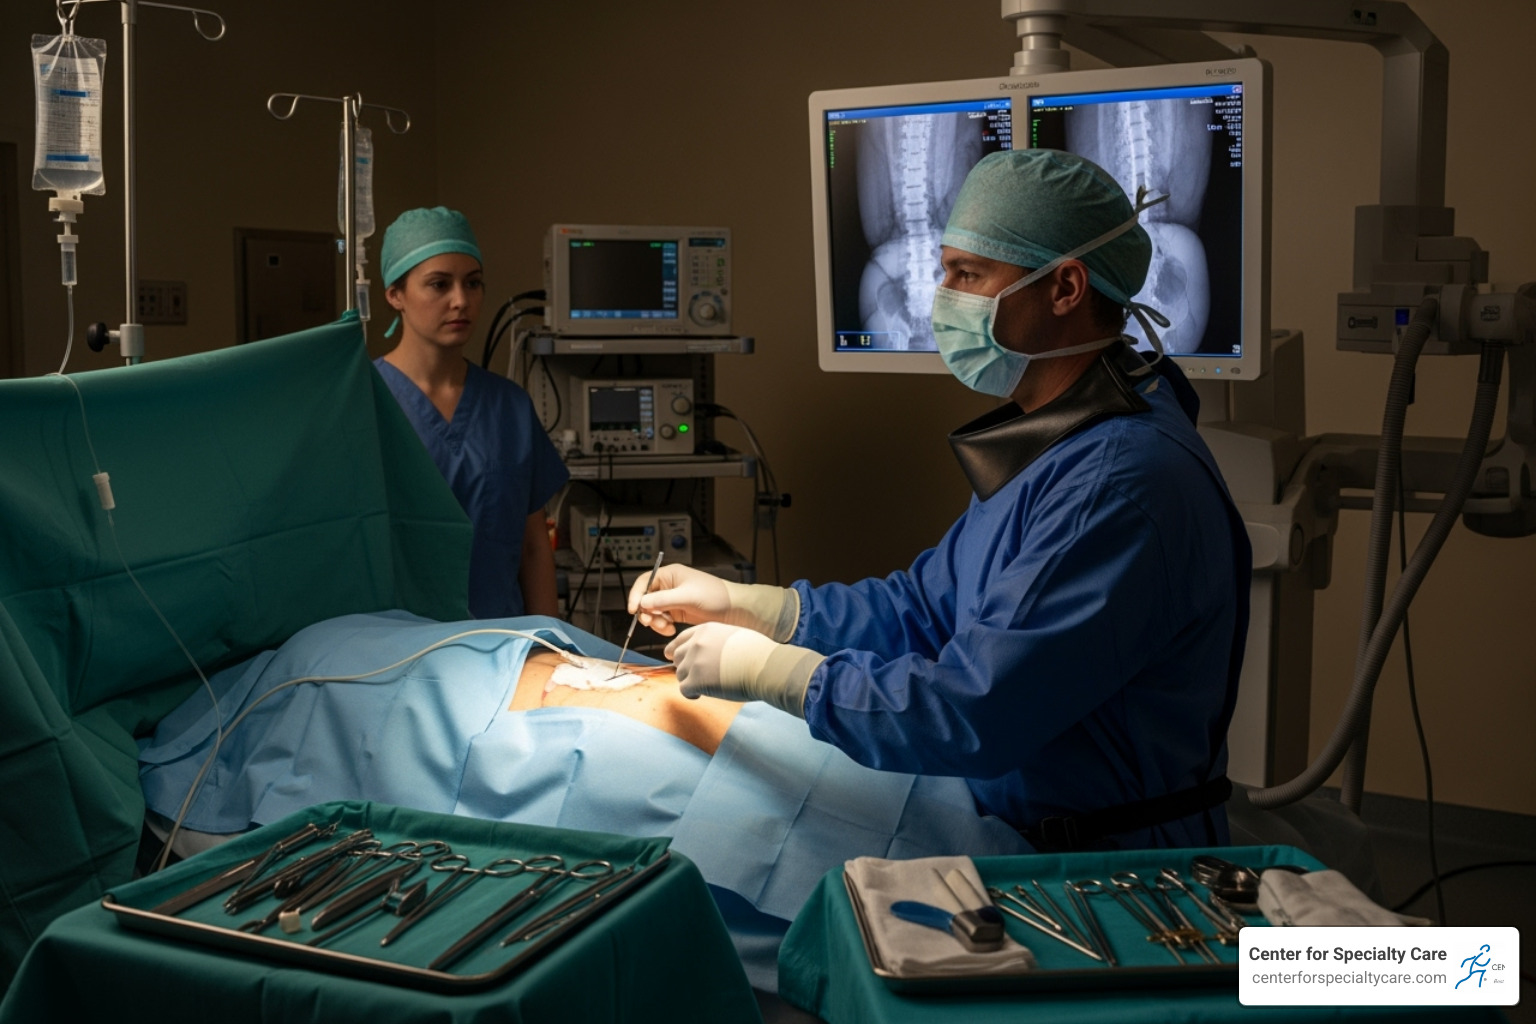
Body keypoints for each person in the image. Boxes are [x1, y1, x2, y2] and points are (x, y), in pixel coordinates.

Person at [630, 149, 1253, 852]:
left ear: (1066, 287)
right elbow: (926, 610)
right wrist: (760, 608)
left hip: (1091, 866)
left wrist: (776, 673)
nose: (942, 296)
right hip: (1006, 816)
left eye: (968, 274)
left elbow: (978, 708)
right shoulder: (1059, 441)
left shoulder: (1115, 483)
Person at [374, 207, 568, 618]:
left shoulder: (510, 408)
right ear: (395, 294)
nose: (461, 300)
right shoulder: (366, 403)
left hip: (502, 641)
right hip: (400, 647)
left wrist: (552, 645)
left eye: (473, 283)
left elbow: (533, 547)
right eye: (439, 284)